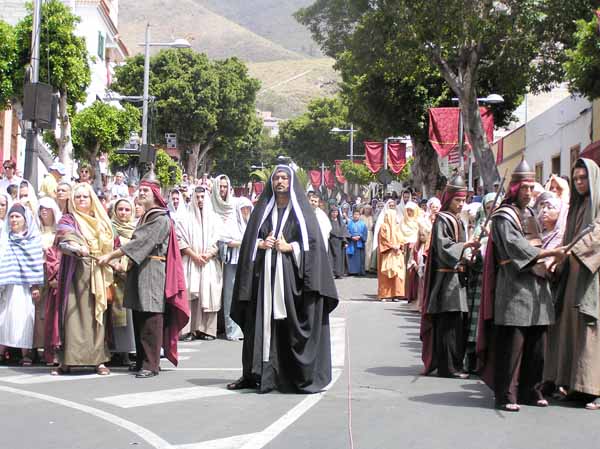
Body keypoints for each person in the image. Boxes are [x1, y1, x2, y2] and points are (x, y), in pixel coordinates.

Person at [228, 165, 338, 393]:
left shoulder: (302, 213)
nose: (280, 182)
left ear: (291, 182)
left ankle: (291, 376)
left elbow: (314, 247)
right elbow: (250, 241)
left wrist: (291, 247)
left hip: (291, 284)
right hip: (264, 283)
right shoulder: (262, 211)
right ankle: (255, 374)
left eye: (284, 178)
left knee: (288, 328)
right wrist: (261, 244)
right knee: (259, 326)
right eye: (276, 178)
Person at [478, 160, 564, 412]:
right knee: (512, 346)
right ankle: (506, 395)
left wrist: (549, 256)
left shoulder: (530, 214)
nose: (528, 192)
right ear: (514, 188)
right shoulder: (504, 216)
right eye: (523, 188)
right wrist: (549, 252)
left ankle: (531, 391)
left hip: (537, 288)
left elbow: (538, 242)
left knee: (537, 346)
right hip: (515, 289)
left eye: (530, 187)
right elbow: (516, 247)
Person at [98, 172, 189, 378]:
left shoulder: (160, 218)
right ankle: (141, 360)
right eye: (140, 189)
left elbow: (139, 242)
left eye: (146, 190)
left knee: (151, 317)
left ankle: (151, 364)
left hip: (152, 270)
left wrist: (112, 255)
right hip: (140, 268)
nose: (141, 193)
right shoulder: (146, 217)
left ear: (155, 193)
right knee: (139, 314)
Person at [543, 158, 600, 410]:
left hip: (592, 278)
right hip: (573, 278)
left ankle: (595, 390)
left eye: (583, 178)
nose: (578, 183)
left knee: (591, 332)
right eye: (575, 178)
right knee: (571, 330)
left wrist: (568, 252)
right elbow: (567, 239)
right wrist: (558, 261)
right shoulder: (577, 208)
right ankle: (576, 386)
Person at [421, 175, 480, 379]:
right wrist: (466, 245)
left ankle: (456, 364)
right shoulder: (442, 219)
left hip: (459, 280)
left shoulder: (458, 221)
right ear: (448, 199)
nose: (461, 204)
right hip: (447, 281)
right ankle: (448, 367)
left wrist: (471, 255)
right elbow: (444, 248)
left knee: (458, 324)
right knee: (448, 325)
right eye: (457, 200)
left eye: (463, 200)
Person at [53, 183, 114, 375]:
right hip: (75, 273)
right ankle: (67, 361)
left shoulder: (101, 220)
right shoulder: (68, 219)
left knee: (97, 316)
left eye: (85, 197)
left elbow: (112, 242)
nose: (81, 200)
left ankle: (99, 361)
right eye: (77, 197)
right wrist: (77, 248)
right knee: (73, 316)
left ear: (91, 199)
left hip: (98, 272)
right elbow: (63, 240)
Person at [0, 204, 44, 365]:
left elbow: (35, 263)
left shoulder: (33, 239)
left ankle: (26, 353)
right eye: (11, 216)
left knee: (25, 317)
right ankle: (2, 351)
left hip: (25, 287)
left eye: (17, 216)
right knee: (4, 318)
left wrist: (35, 285)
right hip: (8, 284)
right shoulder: (5, 238)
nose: (14, 219)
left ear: (26, 220)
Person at [177, 186, 222, 341]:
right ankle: (188, 330)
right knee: (190, 296)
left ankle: (207, 330)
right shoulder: (184, 218)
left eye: (203, 197)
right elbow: (179, 239)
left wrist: (208, 254)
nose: (200, 200)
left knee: (209, 293)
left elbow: (218, 241)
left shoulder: (214, 218)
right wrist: (193, 255)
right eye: (197, 197)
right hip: (190, 260)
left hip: (208, 262)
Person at [108, 198, 137, 365]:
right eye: (120, 209)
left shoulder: (136, 229)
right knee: (115, 315)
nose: (123, 213)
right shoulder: (110, 228)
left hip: (130, 277)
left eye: (127, 209)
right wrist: (116, 266)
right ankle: (115, 352)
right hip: (114, 277)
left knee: (129, 316)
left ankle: (128, 351)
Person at [220, 197, 253, 341]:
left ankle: (244, 328)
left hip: (246, 264)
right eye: (243, 208)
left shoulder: (251, 224)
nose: (245, 211)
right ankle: (231, 330)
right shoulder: (231, 223)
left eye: (248, 208)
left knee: (245, 295)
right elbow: (225, 239)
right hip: (232, 264)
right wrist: (242, 243)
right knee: (230, 296)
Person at [33, 198, 61, 360]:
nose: (44, 211)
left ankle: (52, 349)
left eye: (47, 208)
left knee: (52, 311)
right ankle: (37, 347)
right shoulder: (35, 232)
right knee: (38, 311)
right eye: (41, 208)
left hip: (54, 273)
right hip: (38, 273)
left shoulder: (59, 232)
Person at [377, 207, 405, 302]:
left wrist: (399, 246)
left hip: (396, 254)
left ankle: (395, 294)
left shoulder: (397, 227)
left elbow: (401, 239)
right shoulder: (383, 227)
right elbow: (383, 241)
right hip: (387, 254)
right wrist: (392, 246)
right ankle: (385, 295)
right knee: (386, 275)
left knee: (397, 274)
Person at [328, 207, 347, 278]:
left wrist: (345, 241)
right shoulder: (328, 221)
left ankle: (338, 273)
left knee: (339, 258)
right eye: (333, 212)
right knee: (331, 257)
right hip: (330, 242)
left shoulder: (340, 222)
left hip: (339, 242)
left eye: (336, 212)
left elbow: (343, 232)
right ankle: (332, 273)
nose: (335, 214)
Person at [347, 209, 367, 276]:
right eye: (355, 214)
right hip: (351, 242)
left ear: (359, 215)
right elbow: (347, 232)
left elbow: (365, 233)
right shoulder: (349, 223)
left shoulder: (363, 224)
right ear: (352, 215)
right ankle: (351, 271)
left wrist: (360, 236)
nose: (356, 216)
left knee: (360, 258)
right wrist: (351, 237)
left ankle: (360, 271)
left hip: (360, 243)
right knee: (351, 257)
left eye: (357, 214)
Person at [361, 205, 375, 273]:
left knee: (369, 251)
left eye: (369, 209)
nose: (367, 210)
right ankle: (363, 266)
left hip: (370, 234)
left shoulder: (371, 217)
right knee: (364, 250)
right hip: (363, 234)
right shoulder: (361, 217)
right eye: (366, 209)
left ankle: (368, 267)